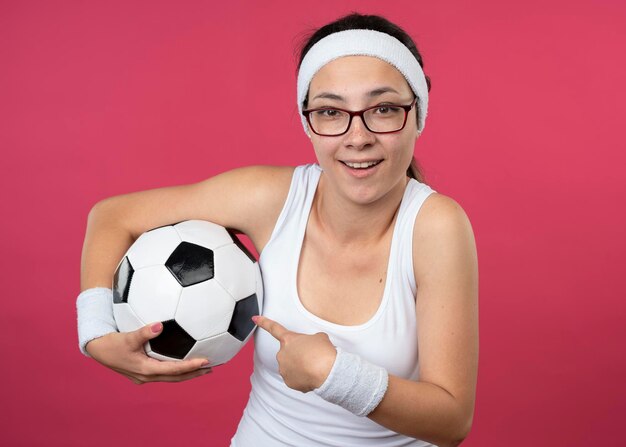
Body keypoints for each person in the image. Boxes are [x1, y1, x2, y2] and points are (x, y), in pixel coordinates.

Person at [77, 12, 479, 447]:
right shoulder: (270, 198)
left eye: (382, 109)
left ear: (417, 112)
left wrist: (335, 375)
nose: (357, 136)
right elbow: (111, 216)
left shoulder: (436, 226)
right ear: (309, 122)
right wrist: (97, 332)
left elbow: (451, 420)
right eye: (330, 111)